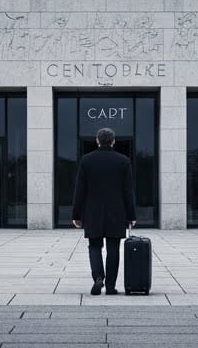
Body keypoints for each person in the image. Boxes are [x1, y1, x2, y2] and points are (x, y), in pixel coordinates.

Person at [72, 127, 136, 296]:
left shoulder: (86, 160)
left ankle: (98, 277)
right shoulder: (123, 161)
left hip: (92, 212)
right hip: (116, 212)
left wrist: (76, 215)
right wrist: (131, 215)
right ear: (113, 141)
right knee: (113, 248)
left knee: (94, 245)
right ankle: (110, 286)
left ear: (97, 140)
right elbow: (128, 191)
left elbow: (80, 190)